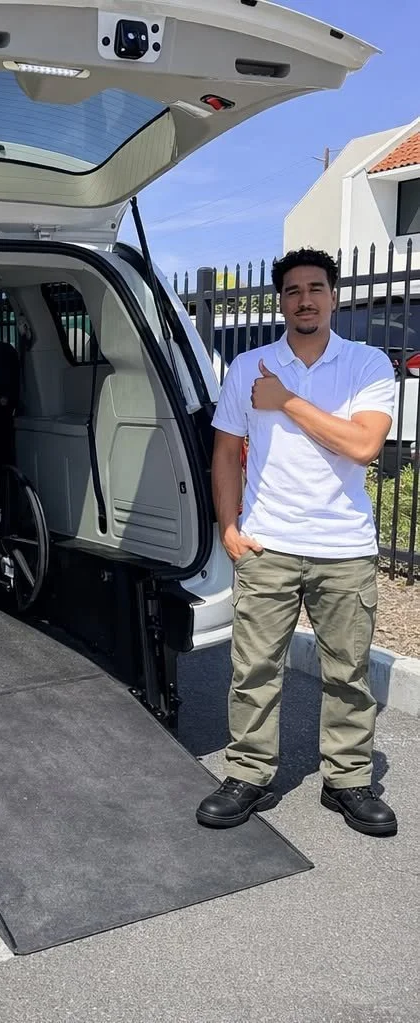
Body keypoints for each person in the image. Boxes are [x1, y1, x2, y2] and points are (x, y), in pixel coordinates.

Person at [196, 248, 398, 837]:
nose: (304, 299)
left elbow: (361, 446)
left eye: (315, 288)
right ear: (280, 300)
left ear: (333, 296)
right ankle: (249, 774)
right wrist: (228, 529)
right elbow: (226, 454)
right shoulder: (247, 366)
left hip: (344, 547)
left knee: (348, 674)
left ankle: (348, 782)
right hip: (268, 544)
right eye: (292, 290)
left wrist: (286, 401)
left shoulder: (365, 365)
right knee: (254, 669)